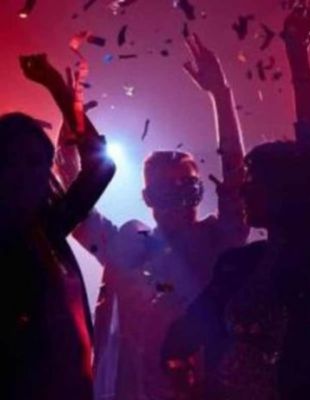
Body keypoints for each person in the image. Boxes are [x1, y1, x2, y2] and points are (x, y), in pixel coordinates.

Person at [162, 2, 310, 399]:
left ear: (287, 190)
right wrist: (180, 371)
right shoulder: (239, 264)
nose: (242, 189)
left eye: (254, 182)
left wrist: (296, 54)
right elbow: (184, 334)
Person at [55, 34, 248, 400]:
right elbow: (74, 197)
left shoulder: (217, 240)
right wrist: (70, 125)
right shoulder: (126, 246)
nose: (180, 201)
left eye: (188, 189)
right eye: (167, 191)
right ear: (147, 197)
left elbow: (237, 182)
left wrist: (222, 96)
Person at [3, 54, 115, 400]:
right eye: (13, 161)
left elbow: (100, 165)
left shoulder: (47, 228)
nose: (28, 173)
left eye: (38, 162)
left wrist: (56, 85)